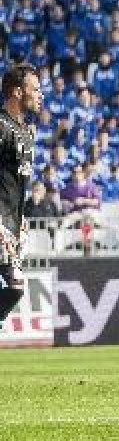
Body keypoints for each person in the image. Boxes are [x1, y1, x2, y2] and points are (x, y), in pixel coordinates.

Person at [0, 64, 41, 323]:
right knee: (16, 284)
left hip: (14, 222)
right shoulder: (1, 126)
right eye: (35, 89)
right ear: (17, 92)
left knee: (16, 287)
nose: (40, 94)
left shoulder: (26, 132)